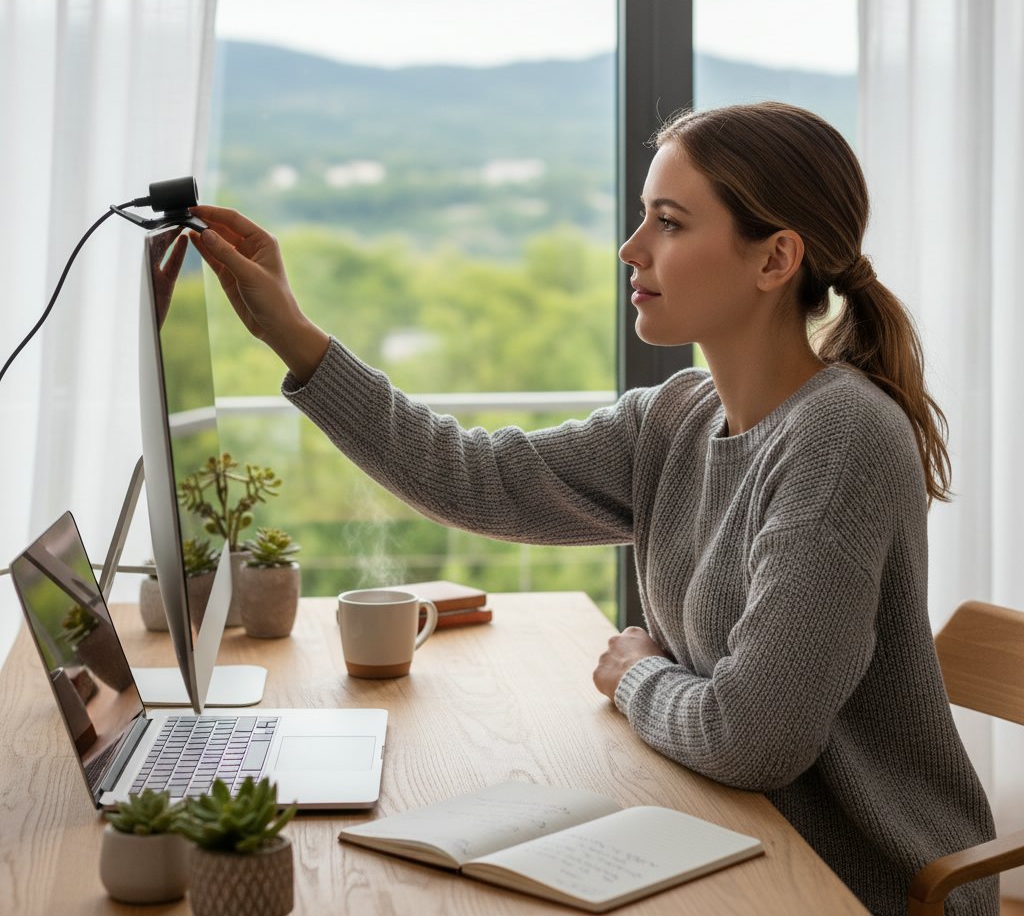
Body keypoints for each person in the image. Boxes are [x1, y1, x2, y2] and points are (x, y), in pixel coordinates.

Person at [189, 101, 997, 916]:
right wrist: (292, 335)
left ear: (775, 258)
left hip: (849, 883)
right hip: (722, 835)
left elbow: (754, 740)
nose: (631, 248)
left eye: (670, 224)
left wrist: (634, 673)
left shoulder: (841, 438)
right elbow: (475, 476)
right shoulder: (678, 416)